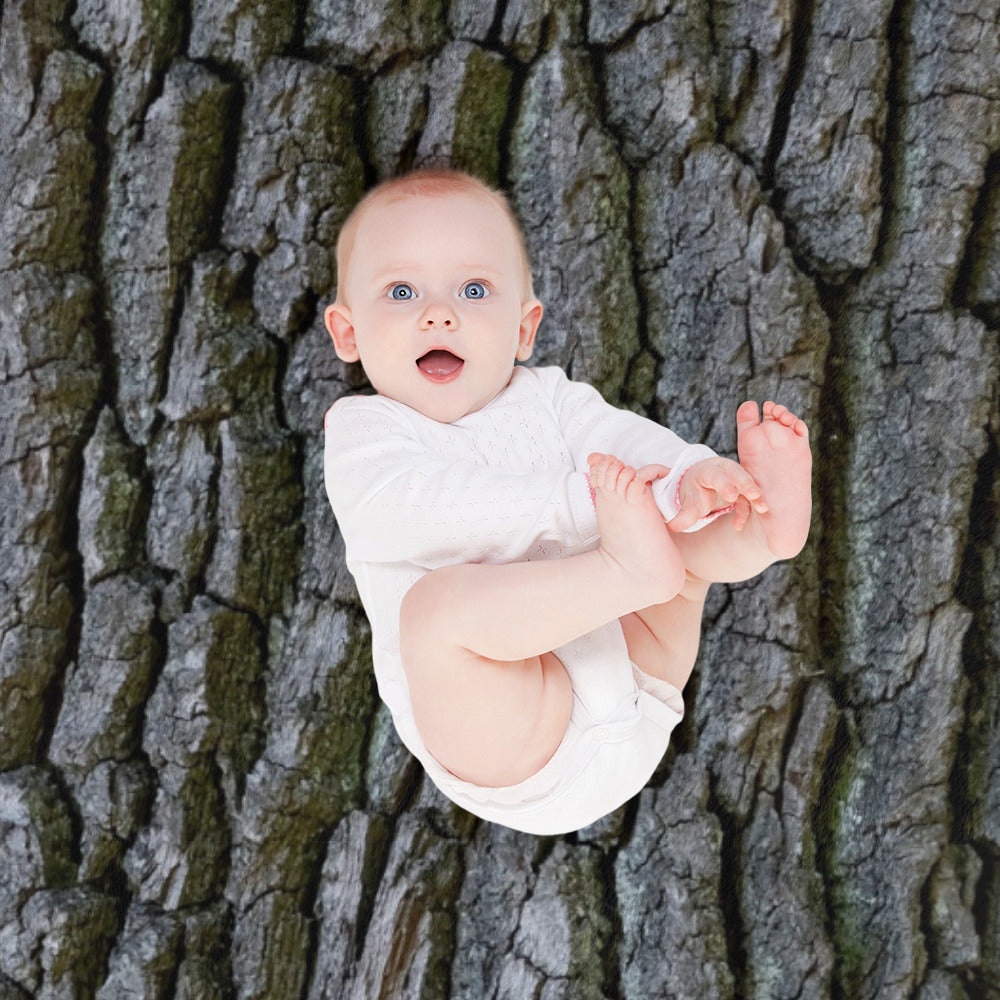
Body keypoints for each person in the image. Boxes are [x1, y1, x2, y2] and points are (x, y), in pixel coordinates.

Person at [323, 168, 812, 835]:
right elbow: (426, 510)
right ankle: (631, 569)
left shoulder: (548, 397)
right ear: (348, 333)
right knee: (434, 613)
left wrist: (686, 475)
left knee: (677, 531)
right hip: (520, 737)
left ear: (524, 329)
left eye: (473, 290)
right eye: (402, 291)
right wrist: (584, 504)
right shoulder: (366, 434)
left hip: (639, 674)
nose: (440, 314)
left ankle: (758, 527)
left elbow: (623, 441)